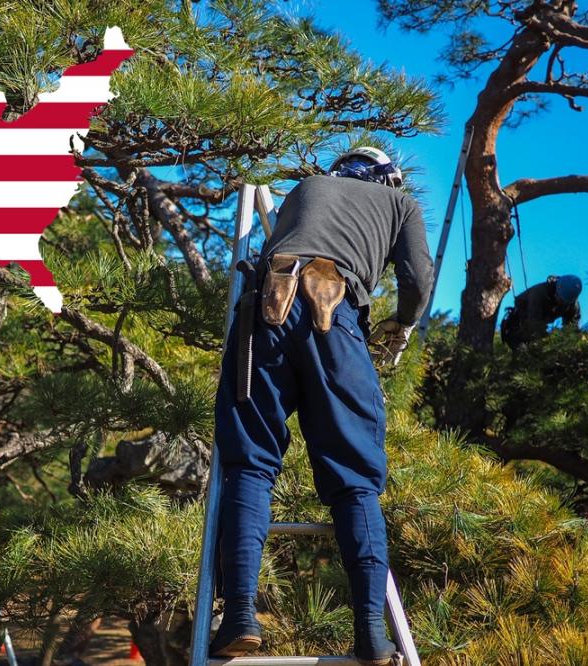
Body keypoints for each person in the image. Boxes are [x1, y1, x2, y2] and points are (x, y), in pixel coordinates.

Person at [210, 147, 433, 665]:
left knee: (250, 464)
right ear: (390, 179)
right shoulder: (400, 204)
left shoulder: (306, 189)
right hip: (338, 319)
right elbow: (418, 280)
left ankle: (240, 615)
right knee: (355, 479)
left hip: (265, 313)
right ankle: (372, 635)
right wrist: (399, 327)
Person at [499, 275, 581, 350]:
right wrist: (549, 342)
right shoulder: (539, 294)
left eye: (563, 301)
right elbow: (535, 324)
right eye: (559, 298)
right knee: (525, 353)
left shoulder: (571, 303)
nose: (560, 301)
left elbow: (572, 326)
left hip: (536, 326)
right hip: (518, 327)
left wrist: (570, 342)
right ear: (557, 288)